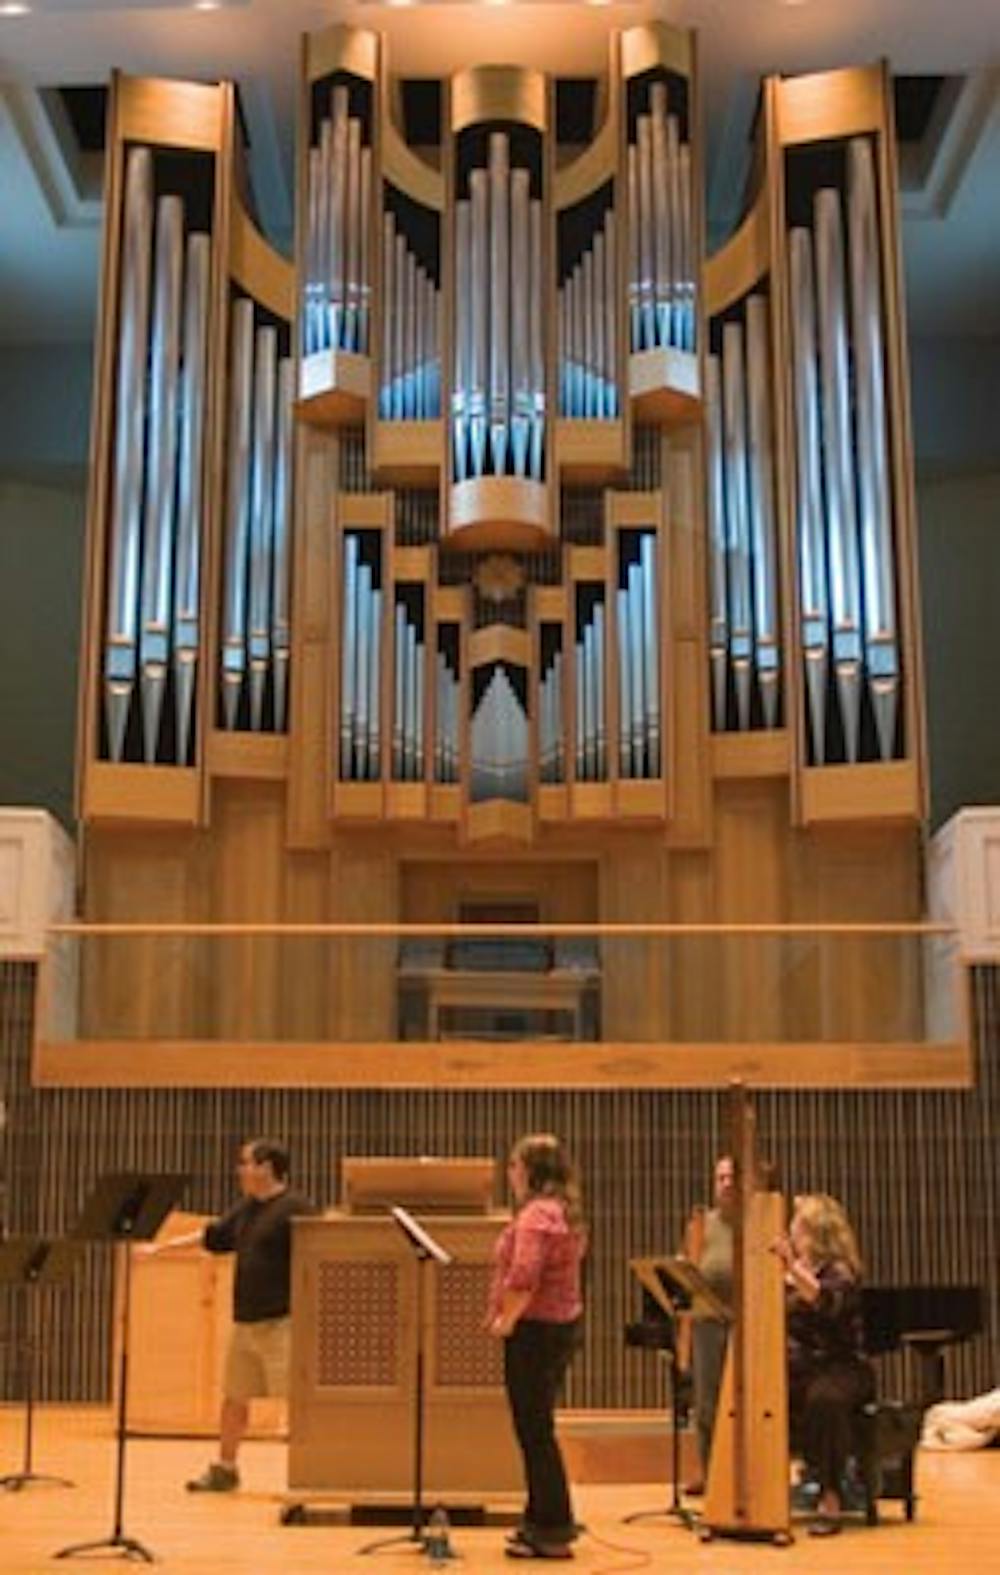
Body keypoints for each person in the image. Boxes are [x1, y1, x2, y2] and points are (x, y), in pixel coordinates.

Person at [140, 1136, 318, 1491]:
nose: (240, 1170)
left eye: (245, 1163)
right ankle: (225, 1468)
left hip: (283, 1322)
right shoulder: (247, 1208)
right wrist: (160, 1249)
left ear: (266, 1168)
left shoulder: (296, 1208)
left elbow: (319, 1252)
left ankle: (306, 1475)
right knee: (235, 1398)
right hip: (246, 1323)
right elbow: (212, 1235)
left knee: (297, 1404)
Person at [487, 1134, 585, 1562]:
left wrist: (505, 1320)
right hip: (554, 1328)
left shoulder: (536, 1217)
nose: (509, 1173)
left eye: (514, 1165)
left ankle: (552, 1526)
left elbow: (525, 1276)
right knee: (535, 1429)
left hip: (535, 1331)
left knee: (535, 1431)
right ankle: (539, 1519)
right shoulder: (560, 1211)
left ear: (529, 1170)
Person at [772, 1193, 875, 1537]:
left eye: (796, 1226)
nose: (790, 1232)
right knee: (759, 1397)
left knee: (824, 1401)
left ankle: (830, 1495)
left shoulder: (841, 1272)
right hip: (801, 1368)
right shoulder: (792, 1275)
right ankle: (761, 1494)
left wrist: (791, 1266)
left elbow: (824, 1300)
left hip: (842, 1367)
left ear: (815, 1231)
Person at [684, 1154, 735, 1495]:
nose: (726, 1184)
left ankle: (741, 1473)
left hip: (747, 1326)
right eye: (721, 1178)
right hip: (707, 1324)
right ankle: (710, 1471)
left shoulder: (759, 1222)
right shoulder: (703, 1225)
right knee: (706, 1404)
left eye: (732, 1177)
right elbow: (691, 1267)